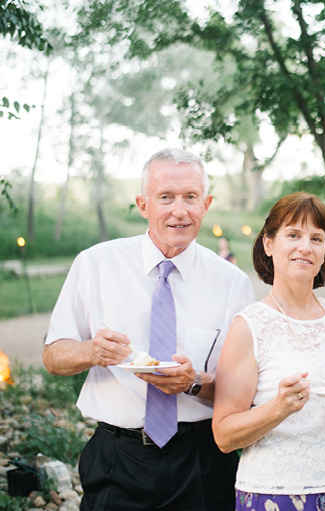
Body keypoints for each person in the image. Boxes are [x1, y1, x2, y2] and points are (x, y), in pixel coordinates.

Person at [43, 148, 255, 511]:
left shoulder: (233, 283)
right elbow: (52, 356)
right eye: (166, 197)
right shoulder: (95, 265)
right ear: (143, 204)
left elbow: (242, 393)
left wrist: (193, 382)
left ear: (206, 204)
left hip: (201, 459)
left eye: (190, 197)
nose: (179, 210)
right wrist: (90, 351)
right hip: (117, 456)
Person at [213, 192, 325, 511]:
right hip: (274, 495)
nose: (306, 247)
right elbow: (224, 435)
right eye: (293, 235)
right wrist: (279, 408)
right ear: (269, 244)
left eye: (317, 238)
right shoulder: (249, 325)